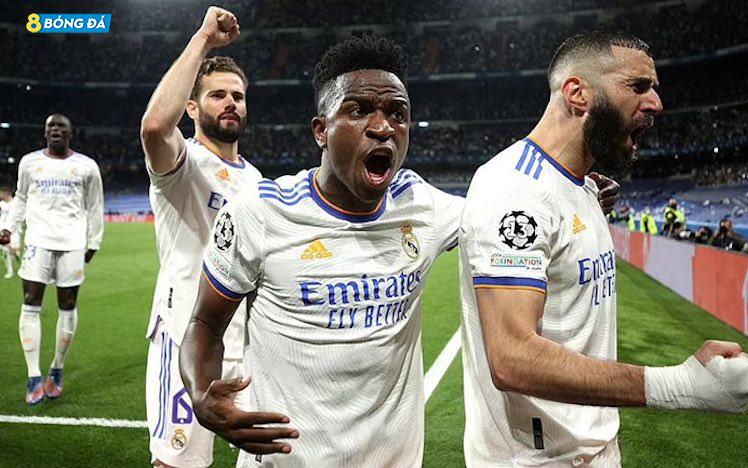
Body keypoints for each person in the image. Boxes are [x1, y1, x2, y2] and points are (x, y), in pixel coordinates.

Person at [179, 34, 622, 467]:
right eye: (358, 110)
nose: (383, 127)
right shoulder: (259, 214)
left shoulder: (422, 205)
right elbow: (204, 322)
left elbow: (512, 215)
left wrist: (574, 194)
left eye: (398, 113)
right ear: (321, 131)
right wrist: (200, 393)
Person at [458, 31, 748, 467]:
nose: (656, 103)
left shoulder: (578, 184)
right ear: (577, 94)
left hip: (592, 449)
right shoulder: (515, 191)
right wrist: (681, 385)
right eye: (638, 86)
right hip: (536, 460)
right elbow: (512, 357)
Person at [139, 7, 263, 468]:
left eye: (238, 96)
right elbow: (155, 127)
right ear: (192, 107)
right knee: (178, 464)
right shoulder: (182, 164)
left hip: (245, 344)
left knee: (272, 452)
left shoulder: (257, 181)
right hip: (183, 336)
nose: (231, 103)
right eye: (217, 95)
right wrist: (204, 40)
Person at [0, 114, 104, 406]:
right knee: (30, 302)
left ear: (71, 133)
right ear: (45, 133)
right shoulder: (29, 162)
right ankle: (33, 374)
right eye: (51, 127)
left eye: (61, 127)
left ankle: (57, 368)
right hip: (37, 242)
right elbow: (21, 197)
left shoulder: (86, 166)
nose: (55, 130)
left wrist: (94, 241)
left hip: (72, 243)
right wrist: (8, 227)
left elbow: (95, 206)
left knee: (67, 305)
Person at [0, 185, 21, 278]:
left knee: (14, 251)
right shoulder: (1, 204)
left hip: (14, 231)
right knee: (5, 251)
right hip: (3, 230)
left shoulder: (15, 203)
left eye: (2, 193)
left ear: (7, 193)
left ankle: (22, 264)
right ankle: (10, 271)